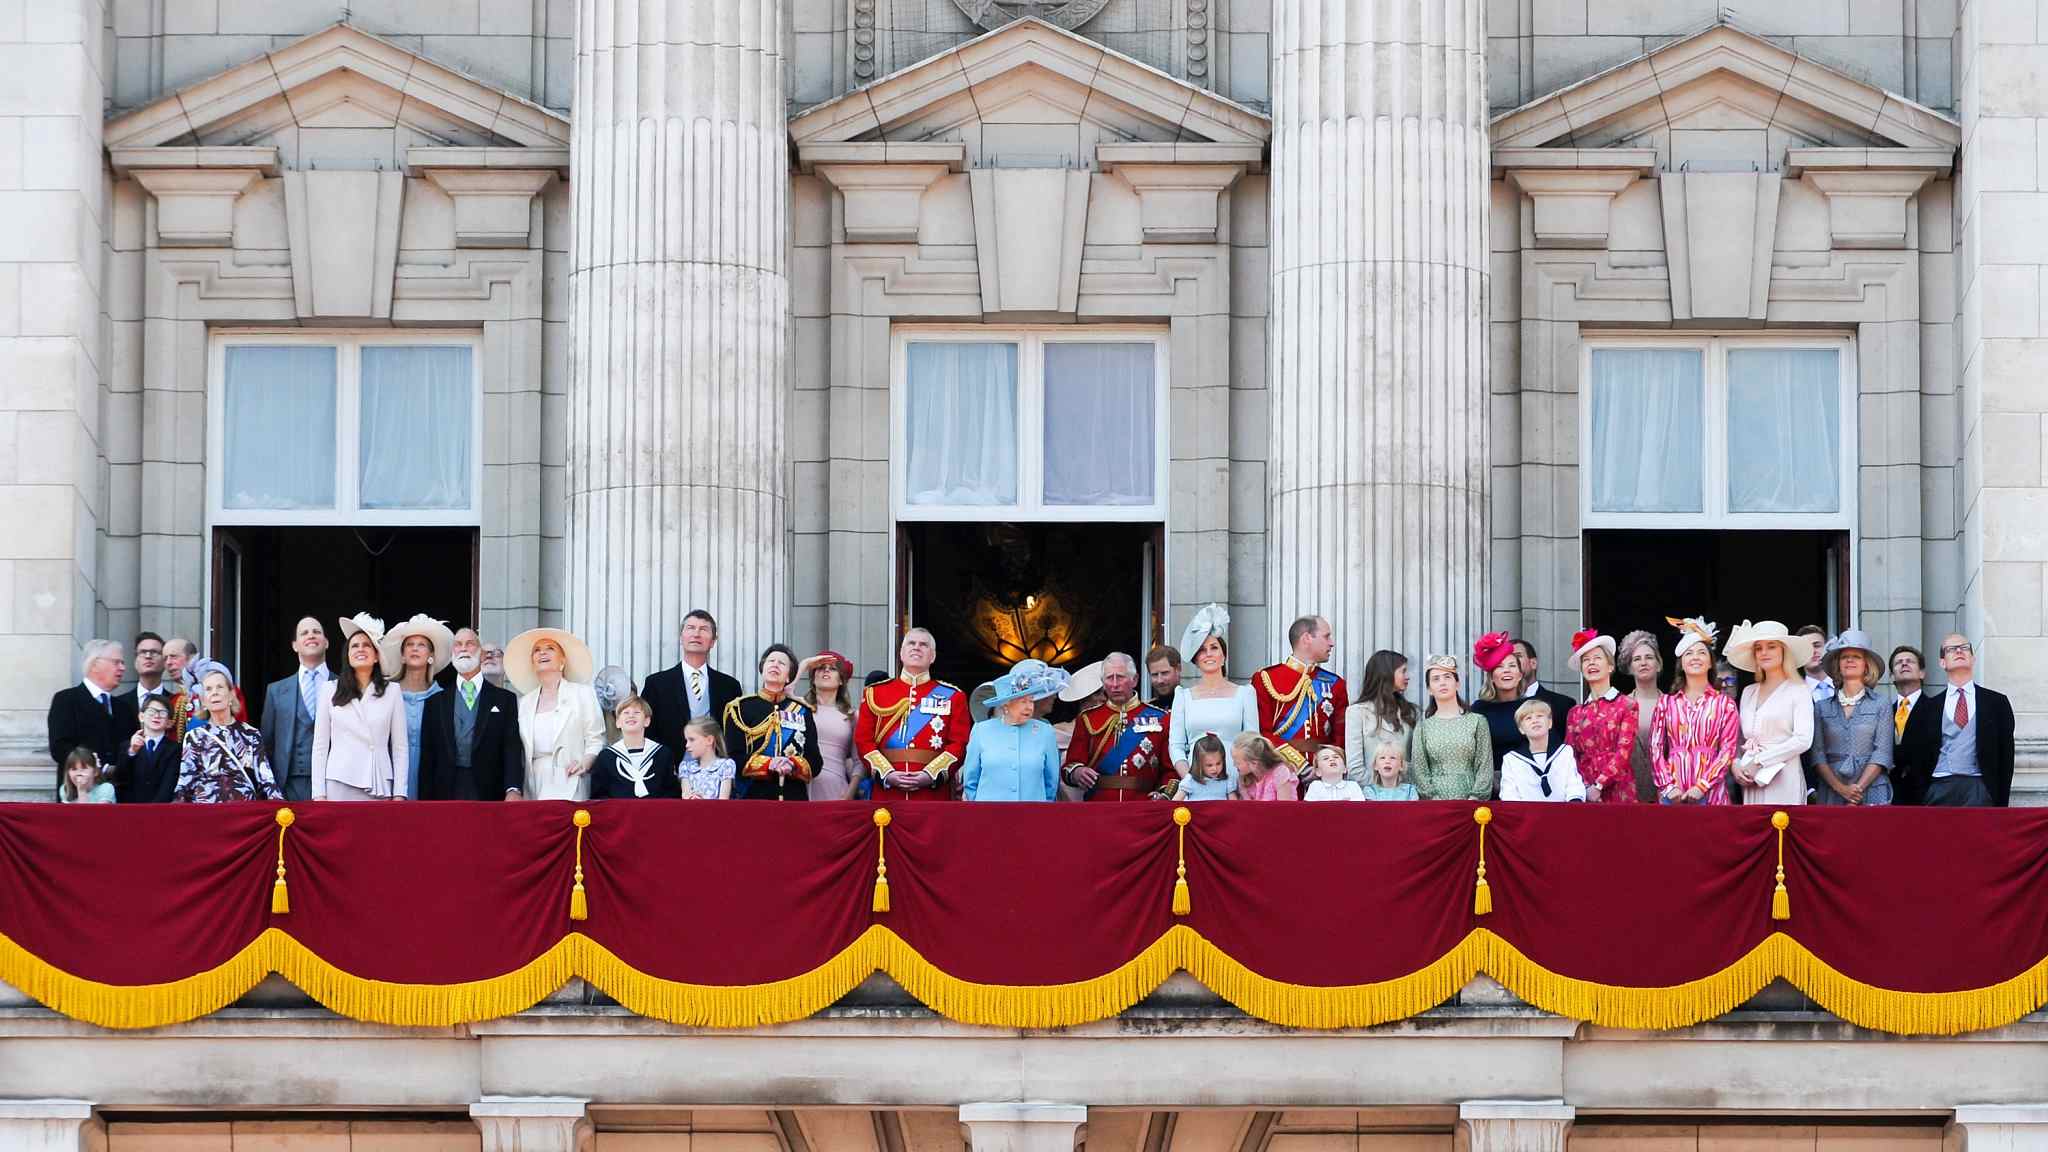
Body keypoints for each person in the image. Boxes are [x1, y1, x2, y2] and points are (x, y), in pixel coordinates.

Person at [1898, 633, 2016, 807]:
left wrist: (2000, 801)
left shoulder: (1996, 703)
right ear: (1942, 662)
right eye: (1951, 649)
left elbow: (2006, 756)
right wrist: (1921, 795)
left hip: (1980, 788)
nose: (1959, 651)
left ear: (1973, 658)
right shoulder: (1926, 708)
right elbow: (1911, 756)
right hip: (1937, 787)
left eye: (1964, 648)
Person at [855, 627, 969, 802]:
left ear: (932, 656)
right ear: (901, 654)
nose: (917, 647)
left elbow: (959, 744)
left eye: (923, 645)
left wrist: (930, 774)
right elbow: (863, 741)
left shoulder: (953, 696)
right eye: (911, 643)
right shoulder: (874, 693)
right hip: (887, 793)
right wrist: (887, 773)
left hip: (932, 795)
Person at [417, 627, 526, 801]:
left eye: (470, 644)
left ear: (482, 655)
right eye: (458, 644)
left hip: (490, 791)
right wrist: (425, 800)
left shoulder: (505, 699)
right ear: (452, 654)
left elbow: (511, 747)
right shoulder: (435, 702)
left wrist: (513, 788)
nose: (463, 648)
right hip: (445, 792)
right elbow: (428, 757)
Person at [312, 613, 409, 801]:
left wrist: (400, 793)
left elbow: (400, 748)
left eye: (367, 645)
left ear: (376, 656)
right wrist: (318, 794)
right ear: (348, 655)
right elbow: (320, 746)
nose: (360, 649)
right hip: (339, 780)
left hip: (378, 781)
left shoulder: (392, 691)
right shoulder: (329, 689)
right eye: (354, 646)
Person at [508, 626, 607, 802]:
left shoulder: (583, 694)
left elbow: (596, 739)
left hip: (572, 779)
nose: (542, 653)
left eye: (550, 648)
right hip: (533, 785)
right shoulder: (524, 703)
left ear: (562, 661)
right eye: (537, 650)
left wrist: (585, 763)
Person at [1649, 616, 1739, 805]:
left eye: (1701, 653)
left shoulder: (1725, 704)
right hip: (1673, 794)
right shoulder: (1665, 703)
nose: (1695, 657)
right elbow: (1655, 748)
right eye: (1689, 653)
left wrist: (1702, 786)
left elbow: (1727, 751)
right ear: (1681, 664)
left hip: (1712, 794)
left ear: (1710, 663)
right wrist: (1668, 786)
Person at [1063, 652, 1175, 801]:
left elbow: (1171, 770)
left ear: (1134, 680)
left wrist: (1164, 795)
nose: (1115, 684)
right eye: (1110, 678)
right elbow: (1069, 767)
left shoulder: (1162, 718)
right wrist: (1077, 772)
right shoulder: (1087, 719)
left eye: (1120, 677)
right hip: (1099, 806)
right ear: (1103, 682)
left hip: (1144, 805)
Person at [1726, 621, 1814, 807]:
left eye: (1771, 646)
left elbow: (1803, 740)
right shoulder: (1748, 691)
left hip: (1784, 776)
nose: (1764, 652)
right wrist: (1736, 764)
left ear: (1784, 651)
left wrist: (1760, 761)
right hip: (1750, 777)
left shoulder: (1799, 689)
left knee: (1782, 823)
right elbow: (1739, 737)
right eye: (1758, 648)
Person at [1167, 605, 1260, 776]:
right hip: (1195, 779)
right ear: (1196, 659)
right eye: (1202, 650)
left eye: (1214, 647)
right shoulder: (1183, 696)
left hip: (1236, 779)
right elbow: (1176, 745)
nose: (1208, 654)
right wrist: (1189, 778)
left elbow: (1253, 743)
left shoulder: (1245, 694)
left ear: (1223, 657)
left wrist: (1241, 780)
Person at [1807, 629, 1895, 806]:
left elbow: (1883, 753)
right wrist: (1842, 789)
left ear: (1867, 665)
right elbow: (1818, 755)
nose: (1849, 660)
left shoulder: (1881, 703)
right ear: (1837, 665)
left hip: (1872, 790)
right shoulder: (1821, 707)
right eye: (1844, 657)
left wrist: (1856, 791)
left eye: (1856, 656)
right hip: (1832, 791)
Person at [722, 644, 820, 801]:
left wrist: (792, 764)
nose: (775, 664)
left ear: (789, 677)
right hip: (754, 797)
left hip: (793, 798)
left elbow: (815, 762)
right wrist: (768, 764)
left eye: (782, 663)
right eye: (771, 661)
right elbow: (733, 756)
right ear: (762, 669)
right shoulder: (740, 708)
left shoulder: (802, 711)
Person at [1253, 615, 1348, 774]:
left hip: (1323, 773)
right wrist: (1300, 765)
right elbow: (1263, 733)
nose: (1332, 643)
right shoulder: (1266, 678)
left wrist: (1327, 767)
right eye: (1326, 636)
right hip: (1280, 770)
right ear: (1306, 638)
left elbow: (1340, 737)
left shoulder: (1335, 683)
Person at [176, 661, 282, 803]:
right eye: (208, 689)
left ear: (231, 694)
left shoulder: (251, 734)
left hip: (243, 810)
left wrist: (280, 809)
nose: (214, 692)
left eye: (220, 687)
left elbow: (266, 780)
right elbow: (185, 783)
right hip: (206, 811)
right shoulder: (194, 736)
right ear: (203, 700)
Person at [962, 660, 1067, 802]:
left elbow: (1051, 782)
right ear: (1006, 704)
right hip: (988, 812)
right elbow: (970, 781)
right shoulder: (981, 731)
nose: (1029, 707)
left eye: (1031, 701)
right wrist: (981, 808)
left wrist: (1041, 808)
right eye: (1023, 702)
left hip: (1032, 811)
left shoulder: (1045, 731)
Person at [642, 610, 743, 755]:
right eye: (691, 628)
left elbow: (735, 737)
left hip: (716, 765)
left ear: (713, 641)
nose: (696, 634)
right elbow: (647, 732)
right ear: (681, 637)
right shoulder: (656, 684)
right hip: (671, 766)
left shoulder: (730, 686)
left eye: (704, 629)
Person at [1471, 632, 1572, 777]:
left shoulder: (1533, 707)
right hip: (1491, 783)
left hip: (1530, 781)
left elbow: (1553, 749)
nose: (1506, 670)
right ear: (1492, 676)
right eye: (1500, 666)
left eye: (1512, 666)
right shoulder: (1479, 709)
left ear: (1519, 675)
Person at [47, 639, 137, 798]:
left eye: (122, 663)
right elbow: (60, 747)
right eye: (116, 662)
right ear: (95, 664)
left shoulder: (124, 708)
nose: (122, 668)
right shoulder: (66, 700)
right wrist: (97, 768)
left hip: (121, 798)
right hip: (79, 797)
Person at [258, 616, 332, 802]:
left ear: (326, 642)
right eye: (304, 633)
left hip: (334, 782)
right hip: (289, 786)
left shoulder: (345, 687)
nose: (311, 635)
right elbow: (267, 744)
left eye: (316, 632)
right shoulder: (276, 691)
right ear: (294, 645)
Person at [382, 615, 452, 802]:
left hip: (430, 779)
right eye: (409, 644)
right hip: (390, 778)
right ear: (402, 656)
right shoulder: (387, 695)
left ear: (431, 656)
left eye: (421, 645)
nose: (414, 648)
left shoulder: (443, 699)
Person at [1562, 629, 1636, 803]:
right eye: (1586, 660)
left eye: (1597, 658)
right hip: (1583, 790)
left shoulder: (1626, 705)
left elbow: (1623, 752)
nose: (1591, 663)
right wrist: (1584, 786)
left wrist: (1599, 785)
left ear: (1610, 666)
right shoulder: (1575, 713)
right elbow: (1569, 755)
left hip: (1618, 788)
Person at [1410, 655, 1493, 801]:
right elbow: (1419, 769)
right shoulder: (1423, 727)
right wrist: (1433, 799)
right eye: (1436, 679)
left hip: (1472, 802)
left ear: (1457, 684)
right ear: (1429, 689)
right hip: (1434, 804)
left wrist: (1475, 798)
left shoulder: (1477, 721)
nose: (1442, 682)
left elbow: (1484, 764)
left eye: (1447, 677)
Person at [1343, 650, 1418, 788]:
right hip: (1369, 795)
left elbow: (1415, 762)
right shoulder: (1357, 712)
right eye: (1403, 671)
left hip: (1405, 794)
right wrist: (1382, 789)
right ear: (1386, 673)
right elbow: (1354, 768)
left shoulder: (1411, 712)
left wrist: (1401, 789)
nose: (1407, 677)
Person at [589, 695, 680, 800]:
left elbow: (672, 792)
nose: (631, 716)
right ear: (618, 722)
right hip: (619, 810)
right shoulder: (606, 757)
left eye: (637, 712)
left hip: (655, 809)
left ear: (647, 721)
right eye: (626, 713)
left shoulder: (663, 754)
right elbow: (599, 795)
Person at [1500, 698, 1585, 802]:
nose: (1535, 721)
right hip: (1526, 811)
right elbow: (1509, 794)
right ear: (1521, 729)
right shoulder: (1511, 760)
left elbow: (1574, 784)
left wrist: (1574, 801)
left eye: (1539, 716)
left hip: (1562, 810)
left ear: (1550, 723)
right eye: (1528, 718)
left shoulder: (1564, 753)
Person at [800, 651, 859, 800]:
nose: (826, 671)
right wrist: (804, 665)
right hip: (800, 786)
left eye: (832, 669)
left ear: (841, 680)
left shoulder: (851, 715)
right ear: (813, 678)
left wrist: (849, 794)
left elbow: (858, 762)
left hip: (836, 789)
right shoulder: (799, 707)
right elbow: (784, 690)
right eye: (820, 668)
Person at [1617, 629, 1665, 803]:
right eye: (1637, 659)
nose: (1643, 662)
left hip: (1666, 796)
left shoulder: (1673, 705)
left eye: (1649, 657)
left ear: (1658, 665)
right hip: (1629, 796)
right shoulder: (1619, 706)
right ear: (1630, 668)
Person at [115, 695, 179, 804]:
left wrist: (153, 809)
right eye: (151, 711)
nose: (157, 716)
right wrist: (132, 752)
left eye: (163, 713)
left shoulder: (175, 749)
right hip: (130, 807)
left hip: (160, 809)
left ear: (169, 723)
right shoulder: (127, 746)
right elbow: (120, 778)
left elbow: (169, 784)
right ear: (141, 716)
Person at [677, 716, 736, 800]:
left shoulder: (726, 765)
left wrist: (703, 801)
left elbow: (723, 800)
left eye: (692, 740)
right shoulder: (685, 767)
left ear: (709, 740)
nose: (687, 745)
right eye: (686, 740)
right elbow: (686, 796)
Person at [1170, 733, 1238, 801]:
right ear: (1199, 764)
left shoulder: (1227, 781)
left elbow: (1234, 804)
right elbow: (1175, 802)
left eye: (1218, 763)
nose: (1215, 768)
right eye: (1209, 765)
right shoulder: (1190, 780)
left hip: (1221, 808)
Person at [1232, 732, 1297, 801]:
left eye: (1237, 762)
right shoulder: (1244, 779)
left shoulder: (1280, 772)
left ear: (1254, 763)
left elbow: (1285, 806)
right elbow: (1247, 806)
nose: (1234, 765)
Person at [1889, 645, 1925, 745]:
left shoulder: (1937, 709)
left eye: (1910, 661)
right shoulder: (1885, 713)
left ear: (1922, 673)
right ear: (1892, 676)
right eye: (1898, 662)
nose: (1904, 664)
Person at [133, 631, 170, 710]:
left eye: (154, 652)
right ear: (135, 660)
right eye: (143, 652)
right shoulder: (118, 704)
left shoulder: (176, 703)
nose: (148, 656)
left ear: (164, 660)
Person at [1799, 625, 1835, 704]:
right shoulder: (1795, 692)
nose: (1813, 651)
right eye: (1806, 648)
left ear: (1827, 648)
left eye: (1817, 646)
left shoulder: (1845, 684)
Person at [1145, 643, 1183, 710]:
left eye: (1164, 673)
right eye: (1155, 675)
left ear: (1178, 669)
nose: (1160, 680)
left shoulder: (1193, 705)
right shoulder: (1146, 710)